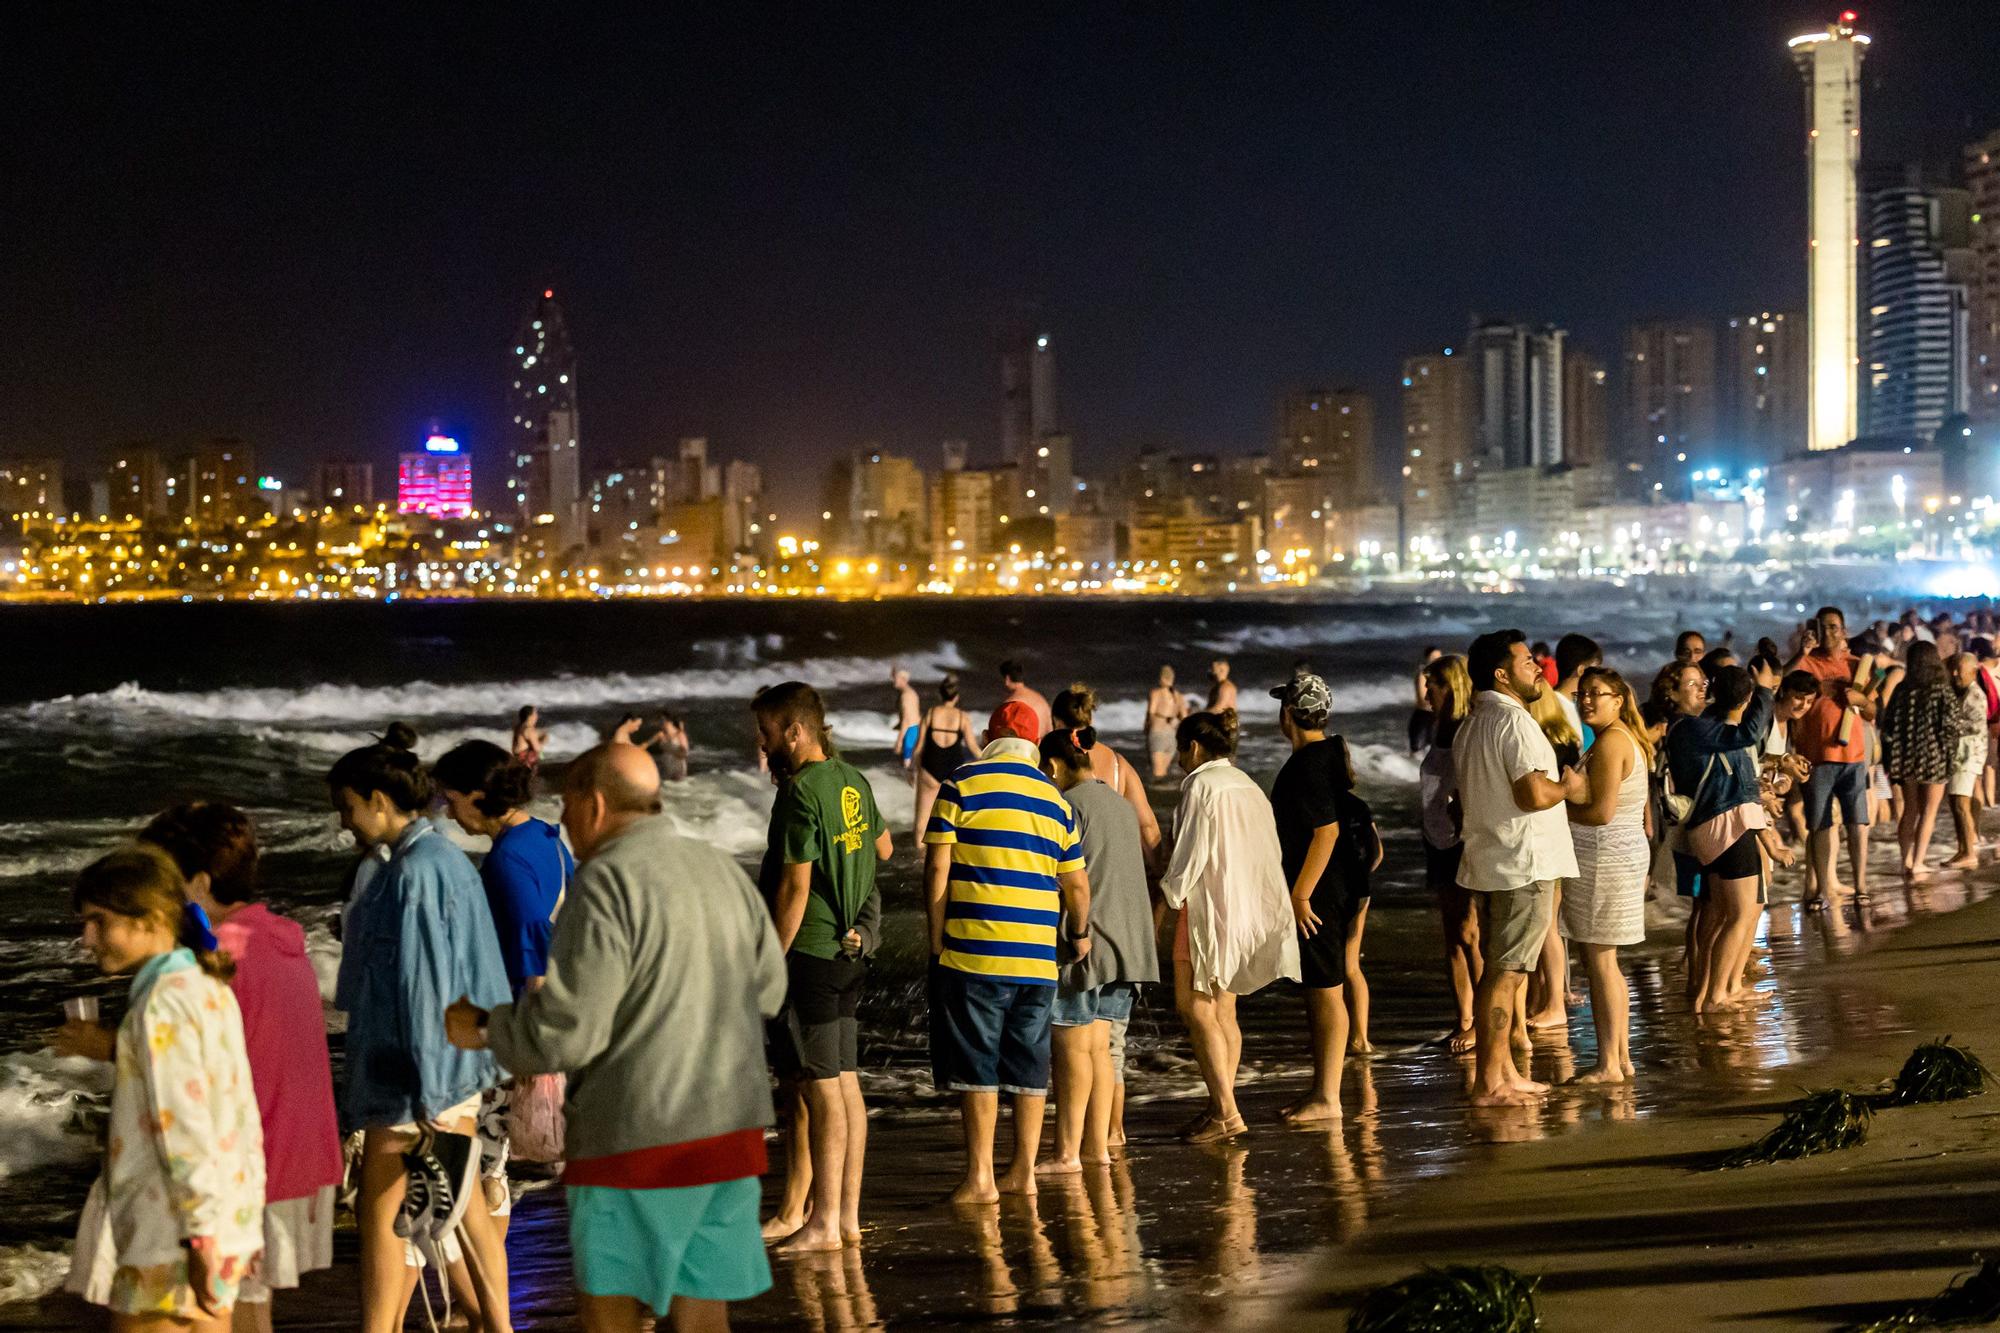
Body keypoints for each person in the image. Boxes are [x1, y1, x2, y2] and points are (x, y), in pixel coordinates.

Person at [446, 744, 787, 1332]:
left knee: (612, 1310)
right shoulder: (719, 868)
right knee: (702, 1313)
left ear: (594, 804)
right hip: (730, 1129)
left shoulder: (604, 883)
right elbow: (770, 991)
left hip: (637, 1134)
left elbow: (568, 1033)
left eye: (570, 807)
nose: (567, 825)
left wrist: (481, 1028)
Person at [131, 805, 343, 1333]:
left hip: (255, 1163)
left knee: (233, 1310)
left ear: (198, 883)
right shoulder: (283, 937)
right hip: (304, 1150)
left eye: (163, 882)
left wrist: (104, 1047)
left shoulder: (219, 959)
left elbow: (192, 1064)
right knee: (248, 1305)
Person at [328, 736, 514, 1333]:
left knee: (393, 1217)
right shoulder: (437, 861)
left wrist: (431, 1093)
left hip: (415, 1079)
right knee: (455, 1213)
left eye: (348, 805)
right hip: (433, 1072)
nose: (343, 820)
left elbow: (423, 987)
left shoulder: (414, 873)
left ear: (379, 801)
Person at [60, 846, 265, 1333]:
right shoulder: (205, 985)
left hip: (171, 1233)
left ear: (150, 918)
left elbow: (183, 1125)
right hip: (224, 1217)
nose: (86, 939)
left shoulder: (161, 1003)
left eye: (98, 921)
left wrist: (200, 1238)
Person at [923, 701, 1090, 1203]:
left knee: (978, 1062)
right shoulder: (1056, 801)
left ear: (990, 736)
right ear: (1035, 744)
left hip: (975, 952)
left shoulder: (961, 784)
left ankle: (980, 1179)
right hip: (1037, 959)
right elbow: (1077, 887)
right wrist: (1077, 934)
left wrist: (936, 939)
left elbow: (936, 871)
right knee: (1028, 1061)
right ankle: (1023, 1171)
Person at [752, 682, 891, 1253]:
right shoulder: (851, 779)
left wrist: (768, 962)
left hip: (809, 953)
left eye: (765, 733)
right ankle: (845, 1219)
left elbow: (794, 886)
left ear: (794, 730)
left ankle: (825, 1222)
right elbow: (881, 848)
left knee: (822, 1089)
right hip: (849, 953)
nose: (762, 746)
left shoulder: (801, 794)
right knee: (846, 1086)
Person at [432, 740, 575, 1235]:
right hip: (553, 1012)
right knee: (495, 1166)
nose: (449, 815)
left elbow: (533, 939)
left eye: (451, 800)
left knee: (486, 1165)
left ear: (478, 796)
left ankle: (488, 1299)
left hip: (512, 1027)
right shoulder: (547, 837)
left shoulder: (506, 861)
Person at [1453, 629, 1583, 1106]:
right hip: (1523, 862)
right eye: (1527, 661)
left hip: (1495, 856)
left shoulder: (1474, 723)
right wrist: (1567, 785)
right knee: (1505, 972)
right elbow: (1532, 794)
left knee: (1507, 969)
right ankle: (1491, 1079)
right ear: (1501, 673)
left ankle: (1505, 1070)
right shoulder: (1514, 723)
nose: (1538, 668)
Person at [1161, 710, 1299, 1140]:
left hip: (1209, 908)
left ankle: (1226, 1109)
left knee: (1194, 1006)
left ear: (1195, 748)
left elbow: (1189, 856)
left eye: (1181, 750)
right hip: (1247, 907)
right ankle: (1221, 1103)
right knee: (1225, 1010)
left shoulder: (1200, 785)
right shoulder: (1249, 785)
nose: (1179, 758)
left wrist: (1165, 895)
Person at [1034, 723, 1160, 1173]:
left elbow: (1070, 883)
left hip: (1089, 944)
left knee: (1071, 1047)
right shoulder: (1120, 803)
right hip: (1131, 945)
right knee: (1104, 1048)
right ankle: (1097, 1147)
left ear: (1051, 766)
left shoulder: (1066, 806)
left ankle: (1067, 1152)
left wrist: (1071, 933)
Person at [1271, 676, 1379, 1123]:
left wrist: (1300, 894)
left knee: (1325, 990)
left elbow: (1327, 832)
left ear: (1289, 715)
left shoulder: (1308, 765)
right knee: (1325, 987)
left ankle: (1328, 1096)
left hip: (1319, 894)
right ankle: (1323, 1090)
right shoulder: (1328, 756)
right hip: (1339, 887)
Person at [1665, 663, 1778, 1013]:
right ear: (1669, 692)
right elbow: (1745, 734)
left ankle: (1719, 989)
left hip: (1722, 825)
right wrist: (1763, 692)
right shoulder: (1689, 728)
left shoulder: (1701, 726)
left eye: (1705, 683)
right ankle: (1717, 994)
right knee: (1739, 915)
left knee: (1730, 913)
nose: (1702, 689)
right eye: (1693, 684)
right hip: (1724, 826)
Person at [1561, 669, 1652, 1084]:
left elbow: (1601, 813)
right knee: (1604, 961)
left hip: (1606, 856)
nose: (1586, 701)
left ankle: (1609, 1064)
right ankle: (1620, 1058)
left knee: (1600, 961)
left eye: (1597, 694)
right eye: (1582, 694)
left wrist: (1558, 809)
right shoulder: (1616, 739)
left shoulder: (1613, 742)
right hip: (1614, 854)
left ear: (1618, 699)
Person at [1787, 607, 1876, 901]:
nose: (1830, 633)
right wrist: (1802, 651)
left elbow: (1873, 711)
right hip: (1817, 757)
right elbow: (1783, 688)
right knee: (1820, 825)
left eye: (1835, 627)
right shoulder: (1808, 665)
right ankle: (1822, 888)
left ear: (1845, 631)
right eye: (1824, 627)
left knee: (1857, 824)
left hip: (1853, 758)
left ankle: (1861, 886)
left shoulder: (1857, 666)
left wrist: (1860, 698)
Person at [1419, 654, 1480, 1055]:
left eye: (1433, 685)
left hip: (1461, 839)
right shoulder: (1438, 728)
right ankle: (1464, 1017)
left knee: (1469, 932)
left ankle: (1484, 1019)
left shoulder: (1464, 730)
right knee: (1452, 935)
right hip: (1435, 836)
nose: (1425, 691)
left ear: (1451, 687)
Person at [1051, 683, 1162, 867]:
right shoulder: (1118, 764)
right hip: (1111, 870)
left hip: (1068, 872)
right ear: (1090, 720)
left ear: (1058, 722)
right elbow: (1147, 826)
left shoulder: (1050, 763)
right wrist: (1159, 874)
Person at [1523, 684, 1581, 1032]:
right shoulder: (1567, 739)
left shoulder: (1542, 743)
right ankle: (1549, 995)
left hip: (1546, 834)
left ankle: (1553, 1001)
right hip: (1563, 831)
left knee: (1546, 924)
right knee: (1550, 923)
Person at [1880, 640, 1959, 880]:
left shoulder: (1902, 690)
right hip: (1934, 757)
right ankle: (1919, 862)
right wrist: (1949, 756)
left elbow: (1889, 725)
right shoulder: (1942, 690)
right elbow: (1951, 727)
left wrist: (1889, 759)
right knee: (1929, 811)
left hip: (1906, 758)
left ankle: (1905, 861)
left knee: (1909, 810)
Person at [910, 672, 976, 845]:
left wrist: (912, 770)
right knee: (951, 823)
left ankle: (920, 862)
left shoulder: (931, 713)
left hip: (929, 771)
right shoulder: (962, 717)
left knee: (921, 824)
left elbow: (918, 747)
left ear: (940, 694)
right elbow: (973, 747)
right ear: (957, 697)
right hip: (952, 774)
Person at [1947, 652, 1989, 869]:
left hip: (1967, 756)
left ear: (1972, 672)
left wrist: (1947, 724)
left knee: (1961, 803)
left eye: (1959, 670)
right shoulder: (1965, 693)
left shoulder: (1974, 696)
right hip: (1964, 756)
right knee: (1956, 803)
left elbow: (1972, 725)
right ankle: (1963, 849)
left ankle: (1968, 852)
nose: (1954, 674)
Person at [1553, 634, 1602, 749]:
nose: (1599, 676)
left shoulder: (1577, 704)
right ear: (1581, 670)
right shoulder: (1557, 706)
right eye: (1596, 669)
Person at [1147, 666, 1188, 780]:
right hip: (1172, 736)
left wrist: (1146, 728)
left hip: (1158, 734)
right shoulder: (1179, 696)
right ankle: (1165, 795)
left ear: (1162, 678)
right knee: (1163, 772)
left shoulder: (1156, 693)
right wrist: (1174, 720)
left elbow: (1151, 712)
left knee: (1157, 774)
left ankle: (1156, 796)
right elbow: (1184, 718)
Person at [1000, 659, 1054, 736]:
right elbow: (1050, 729)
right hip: (1044, 745)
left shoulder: (1010, 705)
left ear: (1007, 679)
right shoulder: (1040, 699)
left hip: (1024, 747)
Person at [1409, 647, 1443, 754]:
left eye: (1439, 656)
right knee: (1417, 750)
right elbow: (1422, 698)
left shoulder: (1440, 675)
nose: (1437, 659)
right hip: (1423, 717)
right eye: (1434, 657)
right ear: (1427, 658)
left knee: (1433, 750)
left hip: (1435, 716)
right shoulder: (1423, 674)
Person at [647, 710, 691, 783]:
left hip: (677, 766)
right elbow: (646, 744)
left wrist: (670, 749)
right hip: (666, 766)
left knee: (676, 787)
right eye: (659, 720)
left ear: (669, 721)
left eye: (662, 720)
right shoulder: (660, 735)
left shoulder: (679, 734)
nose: (660, 722)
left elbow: (685, 753)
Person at [892, 668, 923, 771]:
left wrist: (899, 741)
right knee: (913, 764)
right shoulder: (910, 692)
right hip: (915, 729)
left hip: (911, 731)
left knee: (907, 765)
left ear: (903, 680)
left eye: (896, 679)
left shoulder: (906, 696)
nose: (894, 681)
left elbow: (906, 720)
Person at [511, 705, 548, 770]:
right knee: (540, 756)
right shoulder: (529, 730)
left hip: (516, 758)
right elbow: (538, 749)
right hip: (525, 762)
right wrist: (543, 741)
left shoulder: (518, 727)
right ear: (530, 716)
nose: (537, 716)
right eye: (535, 713)